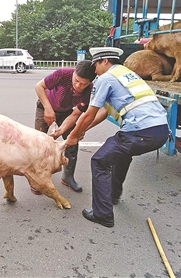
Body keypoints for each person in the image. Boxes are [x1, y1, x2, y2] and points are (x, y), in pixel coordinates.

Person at [66, 47, 170, 228]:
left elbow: (90, 113)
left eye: (95, 65)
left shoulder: (106, 78)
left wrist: (73, 137)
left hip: (140, 132)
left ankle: (102, 214)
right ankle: (113, 195)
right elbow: (104, 111)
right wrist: (82, 131)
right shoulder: (127, 74)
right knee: (120, 153)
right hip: (160, 130)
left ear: (105, 61)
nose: (95, 70)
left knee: (99, 161)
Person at [31, 60, 97, 195]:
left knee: (73, 141)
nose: (78, 86)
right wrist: (48, 109)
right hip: (45, 107)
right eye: (76, 80)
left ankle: (68, 176)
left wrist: (60, 131)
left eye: (83, 84)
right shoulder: (63, 74)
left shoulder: (89, 90)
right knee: (39, 143)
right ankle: (38, 178)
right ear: (74, 73)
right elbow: (39, 86)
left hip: (66, 112)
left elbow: (75, 114)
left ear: (89, 82)